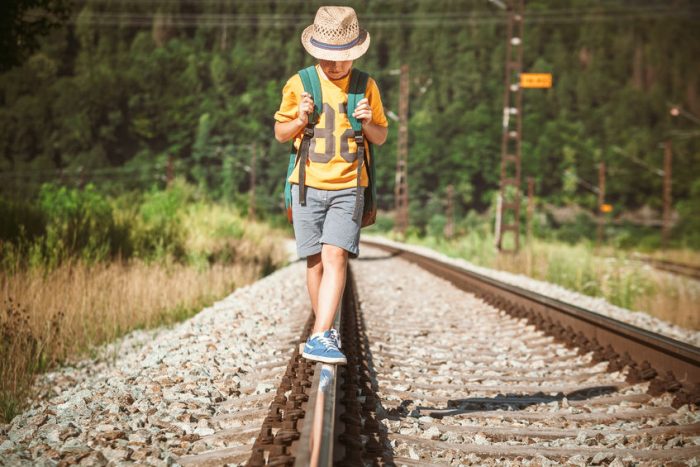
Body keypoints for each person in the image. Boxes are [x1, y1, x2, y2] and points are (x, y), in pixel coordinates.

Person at [273, 6, 388, 364]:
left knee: (335, 255)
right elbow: (280, 133)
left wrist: (368, 122)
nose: (336, 65)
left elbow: (381, 137)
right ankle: (324, 331)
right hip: (306, 185)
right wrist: (301, 118)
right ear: (316, 52)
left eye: (343, 58)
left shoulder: (365, 86)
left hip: (349, 186)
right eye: (329, 57)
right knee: (314, 262)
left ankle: (321, 334)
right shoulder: (299, 84)